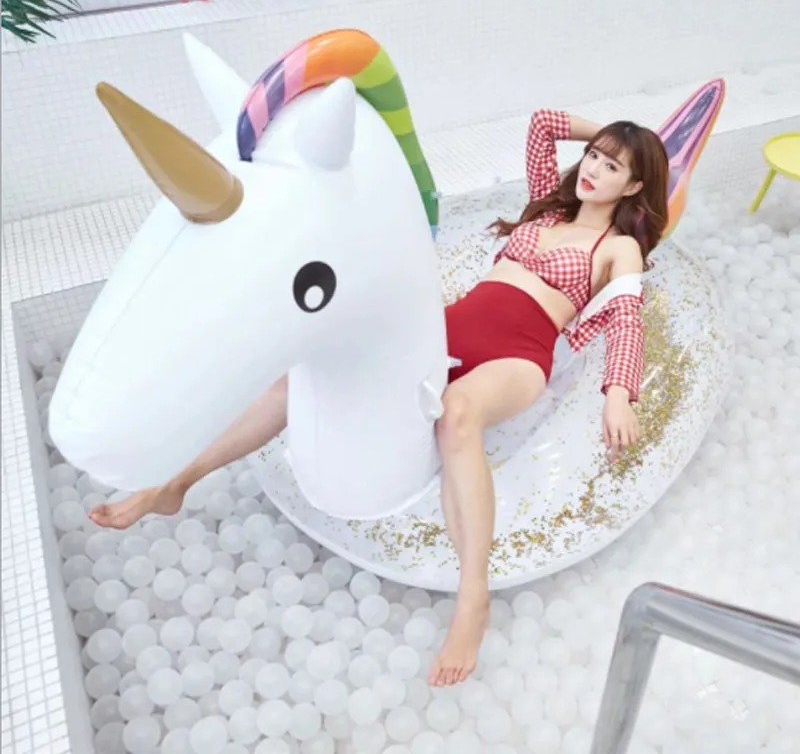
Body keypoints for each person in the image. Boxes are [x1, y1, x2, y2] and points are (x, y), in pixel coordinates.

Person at [88, 108, 669, 690]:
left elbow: (627, 321)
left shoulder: (618, 247)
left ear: (634, 185)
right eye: (593, 156)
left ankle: (473, 598)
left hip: (520, 353)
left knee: (458, 414)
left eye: (612, 167)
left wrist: (618, 394)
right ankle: (176, 483)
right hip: (445, 330)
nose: (592, 169)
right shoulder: (548, 206)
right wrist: (618, 133)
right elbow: (542, 125)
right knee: (301, 378)